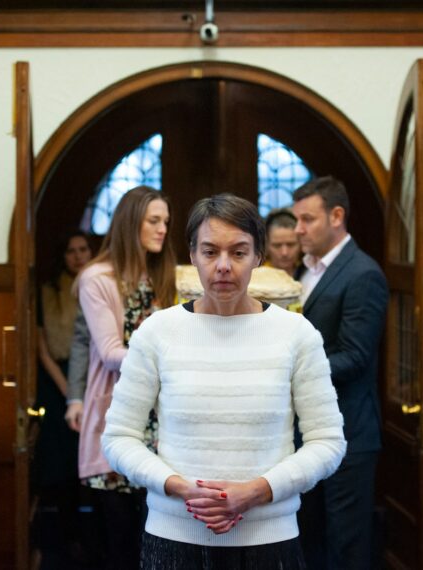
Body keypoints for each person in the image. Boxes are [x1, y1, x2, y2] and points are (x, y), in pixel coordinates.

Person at [102, 193, 346, 569]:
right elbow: (118, 437)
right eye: (210, 251)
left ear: (258, 257)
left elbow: (328, 442)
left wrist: (258, 491)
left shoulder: (296, 334)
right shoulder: (158, 332)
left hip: (269, 536)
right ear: (193, 255)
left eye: (238, 252)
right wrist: (180, 487)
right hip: (174, 533)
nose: (223, 266)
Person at [74, 185, 176, 570]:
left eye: (165, 221)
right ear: (130, 222)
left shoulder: (162, 276)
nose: (162, 229)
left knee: (154, 538)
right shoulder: (97, 278)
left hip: (161, 421)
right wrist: (171, 360)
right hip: (117, 414)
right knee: (118, 542)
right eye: (154, 220)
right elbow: (110, 352)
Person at [291, 176, 389, 570]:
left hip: (349, 431)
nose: (298, 228)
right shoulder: (307, 271)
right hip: (311, 431)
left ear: (336, 216)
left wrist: (289, 371)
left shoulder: (362, 273)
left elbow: (355, 357)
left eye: (307, 219)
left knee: (345, 547)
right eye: (297, 219)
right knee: (310, 538)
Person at [32, 229, 92, 563]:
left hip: (90, 379)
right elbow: (41, 348)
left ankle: (92, 539)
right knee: (63, 463)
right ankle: (67, 540)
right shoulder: (48, 292)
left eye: (83, 249)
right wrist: (70, 390)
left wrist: (81, 388)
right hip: (57, 380)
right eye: (71, 251)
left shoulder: (95, 286)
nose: (78, 256)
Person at [263, 207, 302, 276]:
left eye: (291, 244)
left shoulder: (311, 272)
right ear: (266, 246)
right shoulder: (255, 279)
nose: (284, 253)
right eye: (277, 245)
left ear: (301, 243)